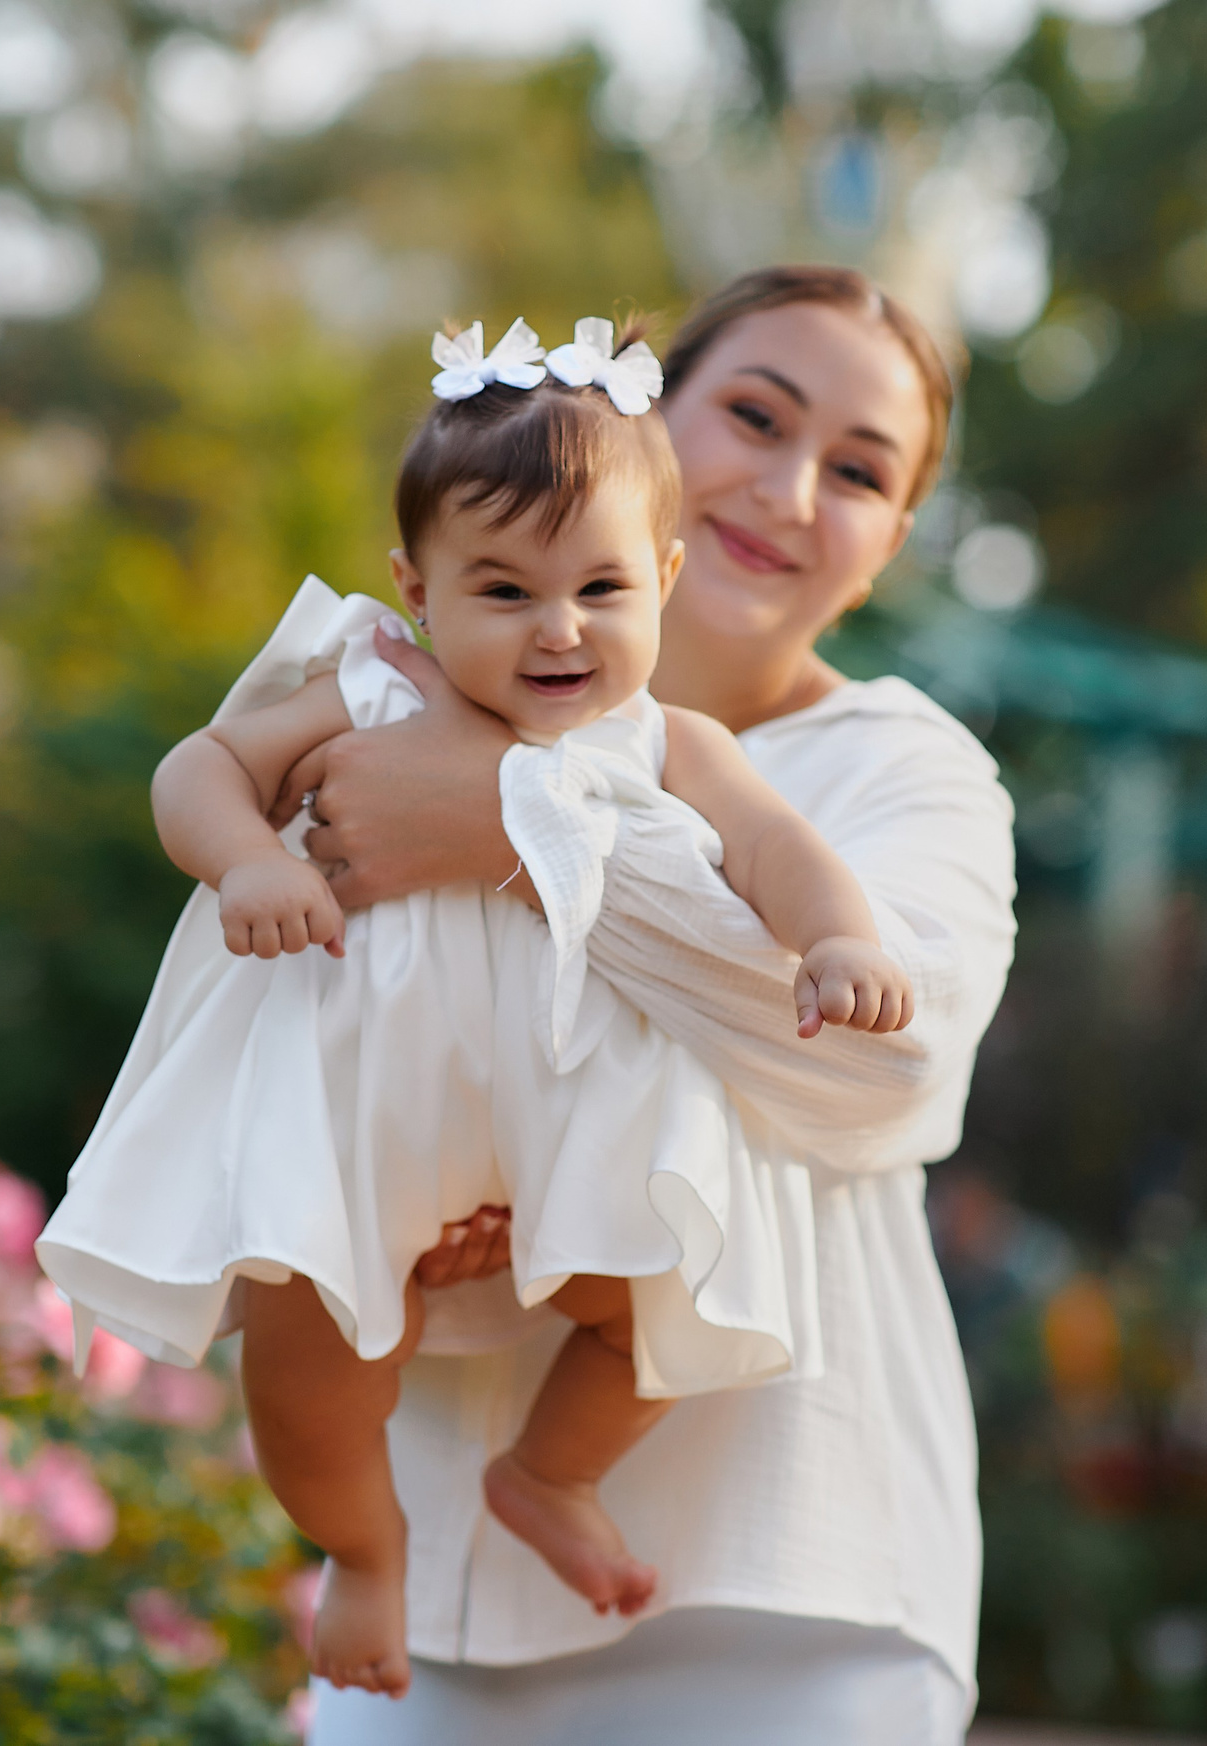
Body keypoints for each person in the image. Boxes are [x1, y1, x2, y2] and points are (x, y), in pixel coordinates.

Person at [36, 313, 915, 1697]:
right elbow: (195, 769)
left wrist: (835, 942)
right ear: (415, 585)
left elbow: (781, 852)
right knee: (304, 1364)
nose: (558, 629)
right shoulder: (366, 685)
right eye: (502, 590)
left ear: (663, 578)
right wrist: (254, 855)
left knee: (671, 1304)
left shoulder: (667, 741)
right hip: (358, 1131)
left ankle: (549, 1473)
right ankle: (364, 1550)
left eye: (602, 589)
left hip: (571, 1146)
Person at [298, 266, 1019, 1746]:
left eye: (863, 473)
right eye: (755, 413)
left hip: (791, 1595)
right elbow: (291, 1065)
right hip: (430, 1598)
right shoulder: (385, 714)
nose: (792, 483)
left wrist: (509, 825)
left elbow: (891, 1069)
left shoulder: (906, 766)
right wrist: (407, 1228)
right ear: (636, 428)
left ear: (884, 548)